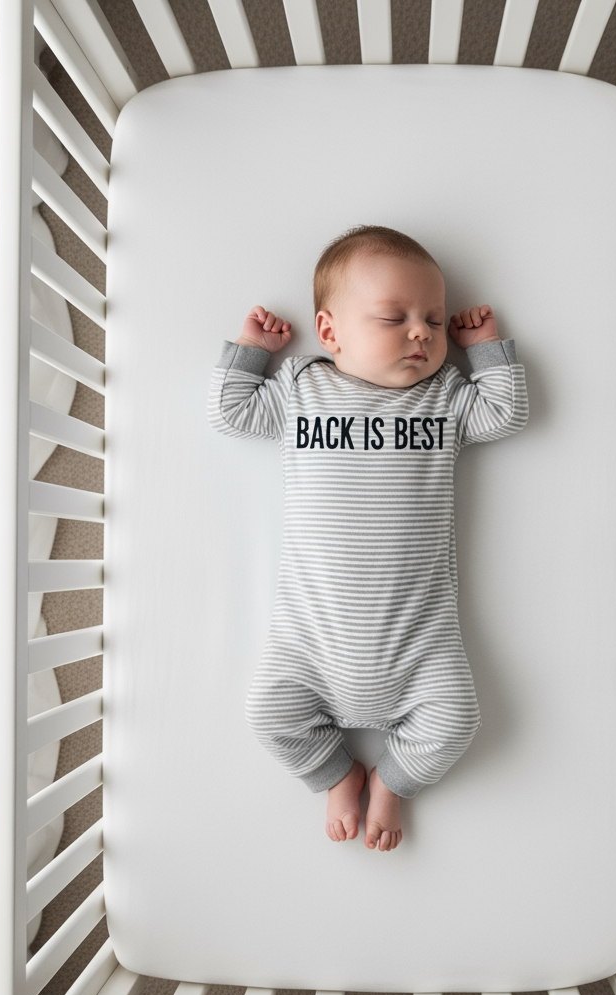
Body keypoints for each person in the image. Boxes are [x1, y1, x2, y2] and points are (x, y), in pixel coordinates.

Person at [208, 225, 528, 851]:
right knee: (268, 716)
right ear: (330, 333)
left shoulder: (443, 397)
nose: (422, 333)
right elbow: (231, 412)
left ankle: (392, 782)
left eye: (435, 321)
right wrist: (251, 349)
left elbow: (505, 412)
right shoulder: (303, 388)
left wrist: (485, 347)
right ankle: (335, 773)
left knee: (455, 722)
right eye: (394, 318)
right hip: (310, 640)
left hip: (420, 643)